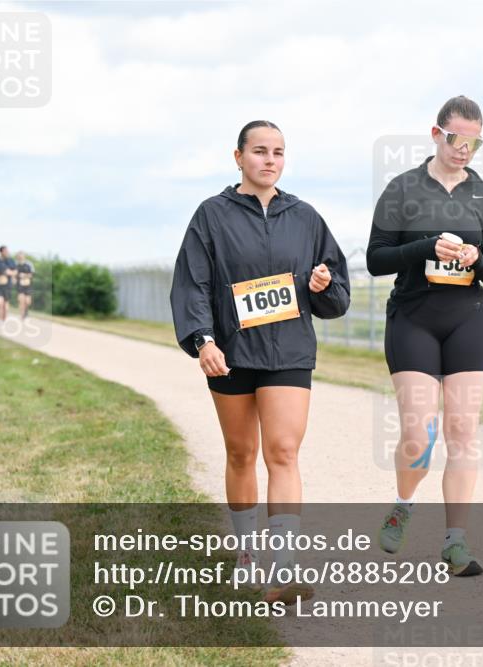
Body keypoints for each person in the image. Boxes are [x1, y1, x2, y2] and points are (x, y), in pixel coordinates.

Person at [170, 120, 350, 604]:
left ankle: (284, 568)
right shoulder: (212, 215)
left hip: (289, 350)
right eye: (260, 151)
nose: (270, 160)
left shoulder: (306, 217)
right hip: (231, 353)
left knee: (284, 451)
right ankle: (247, 555)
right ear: (238, 157)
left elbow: (337, 295)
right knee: (240, 452)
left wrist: (323, 286)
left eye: (279, 152)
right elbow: (193, 284)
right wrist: (203, 341)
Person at [366, 96, 483, 577]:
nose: (464, 148)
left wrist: (477, 260)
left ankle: (455, 541)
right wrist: (426, 246)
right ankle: (403, 505)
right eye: (456, 138)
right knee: (419, 434)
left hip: (469, 318)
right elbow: (376, 259)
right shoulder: (402, 189)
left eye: (474, 142)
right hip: (414, 318)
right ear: (435, 134)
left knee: (463, 432)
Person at [15, 251, 35, 320]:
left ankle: (26, 312)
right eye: (19, 256)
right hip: (20, 286)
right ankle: (22, 316)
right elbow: (14, 274)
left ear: (24, 256)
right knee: (21, 301)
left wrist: (24, 275)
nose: (20, 257)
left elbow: (32, 274)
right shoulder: (16, 264)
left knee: (27, 302)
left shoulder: (29, 264)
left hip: (28, 285)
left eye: (21, 256)